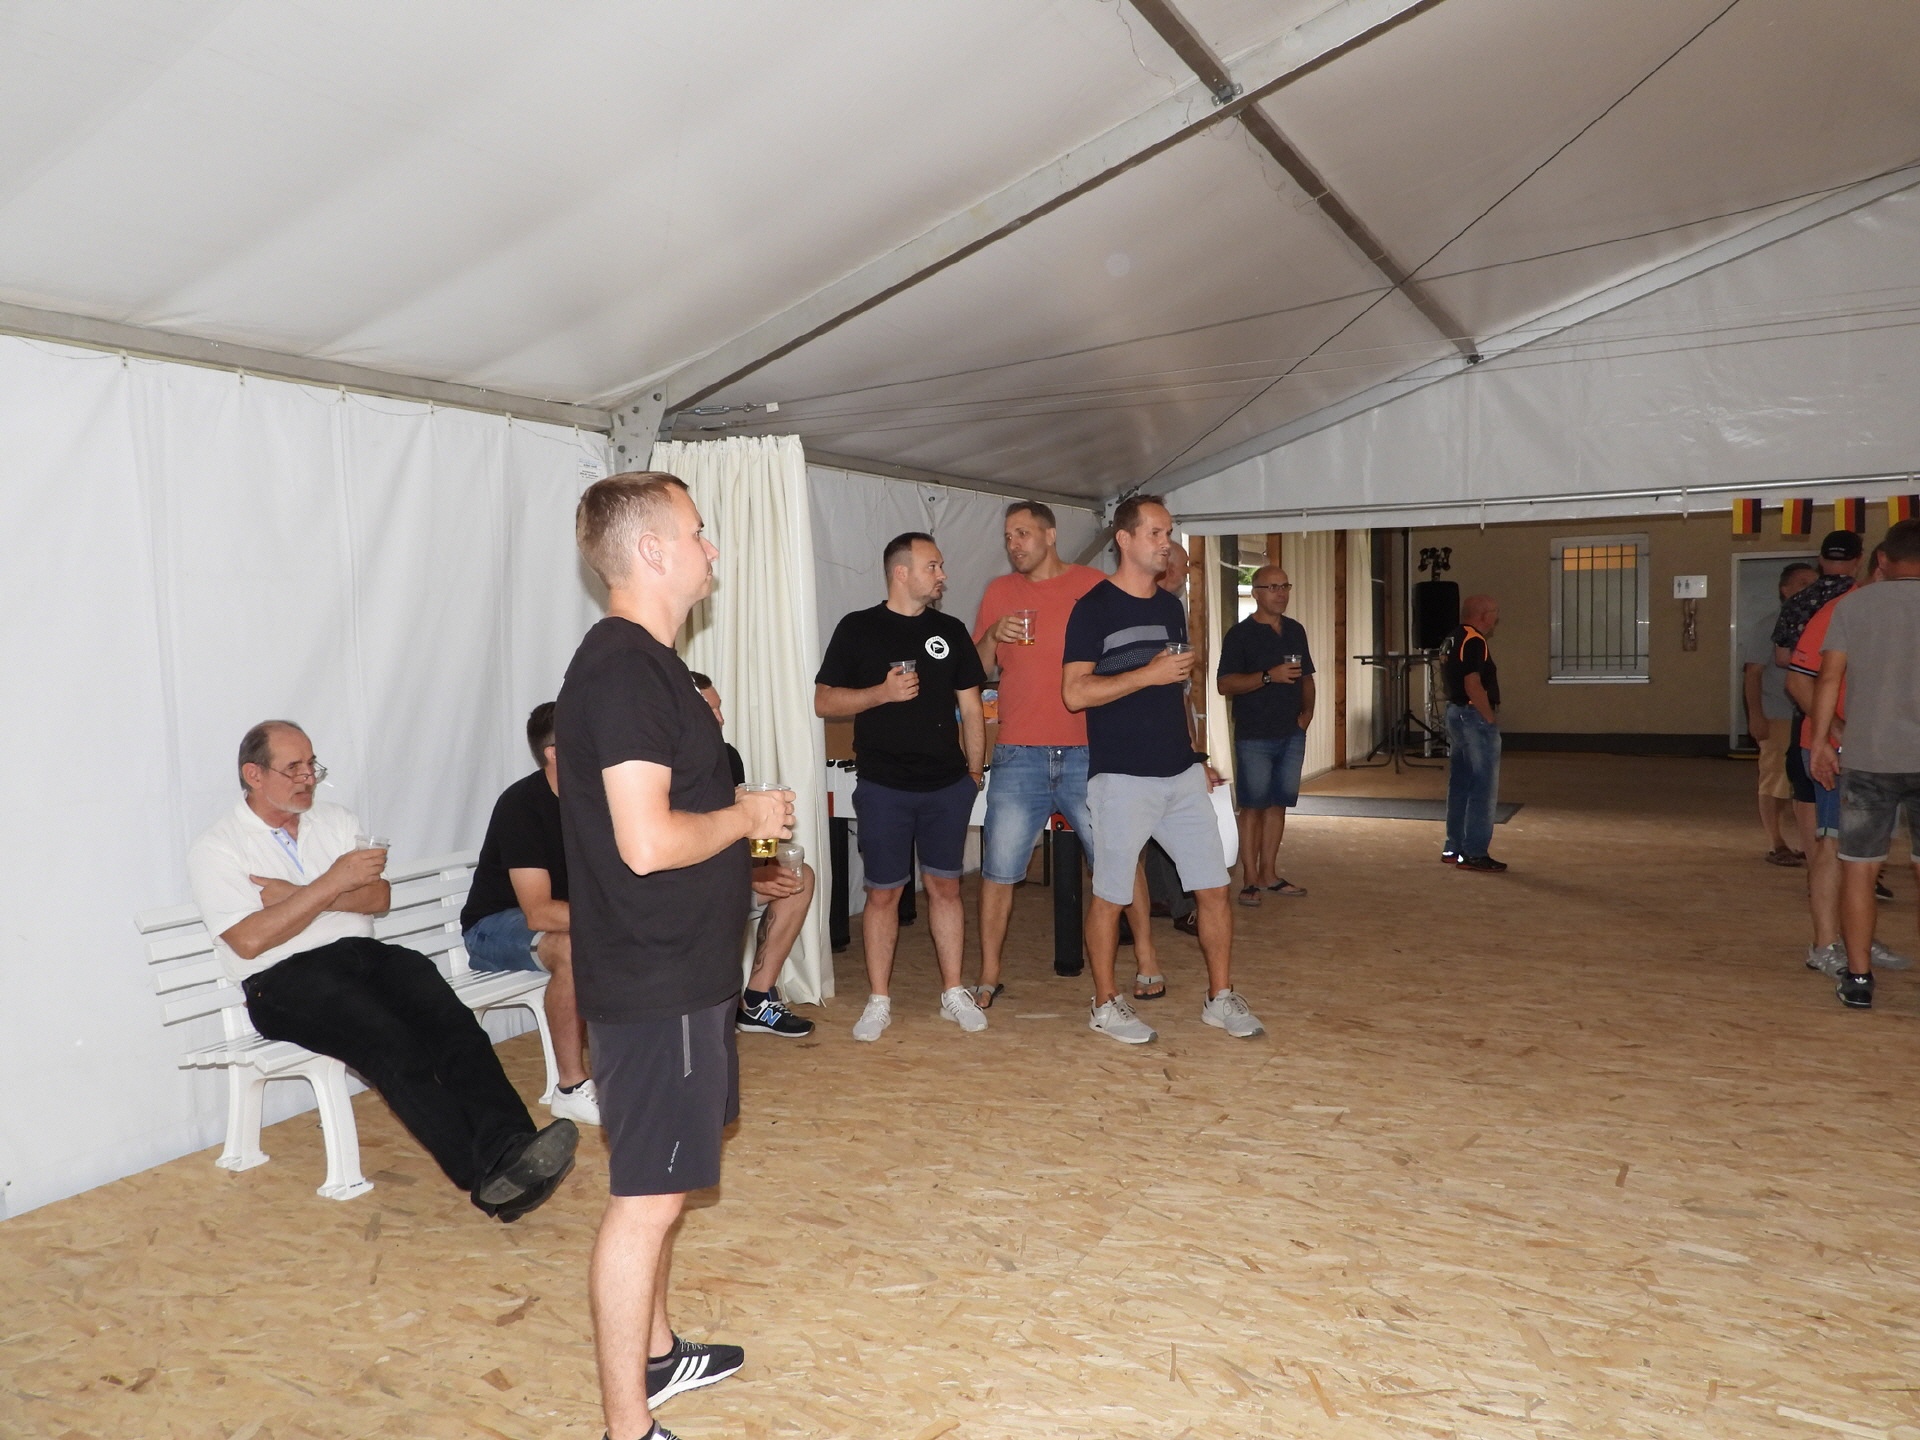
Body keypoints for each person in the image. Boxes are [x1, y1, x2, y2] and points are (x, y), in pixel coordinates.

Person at [559, 472, 793, 1440]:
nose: (712, 549)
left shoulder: (649, 667)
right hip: (654, 979)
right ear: (652, 550)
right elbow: (647, 842)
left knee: (661, 1183)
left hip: (681, 973)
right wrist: (745, 813)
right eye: (698, 532)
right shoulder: (623, 671)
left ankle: (658, 1357)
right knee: (646, 1203)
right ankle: (629, 1428)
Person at [187, 721, 578, 1222]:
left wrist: (295, 898)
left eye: (312, 766)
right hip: (280, 981)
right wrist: (334, 883)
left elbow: (378, 897)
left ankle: (515, 1147)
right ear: (253, 774)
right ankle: (490, 1176)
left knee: (453, 1025)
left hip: (360, 956)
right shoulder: (219, 847)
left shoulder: (335, 820)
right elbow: (249, 939)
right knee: (393, 1045)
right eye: (294, 768)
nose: (308, 778)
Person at [1063, 494, 1264, 1043]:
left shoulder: (1171, 608)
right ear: (1123, 539)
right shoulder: (1093, 609)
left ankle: (1219, 997)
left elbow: (1177, 694)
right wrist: (1144, 675)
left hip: (1179, 774)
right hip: (1122, 777)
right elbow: (1074, 693)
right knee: (1111, 895)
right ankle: (1105, 1004)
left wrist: (1197, 757)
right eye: (1155, 533)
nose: (1166, 544)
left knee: (1214, 888)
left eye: (1169, 533)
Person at [971, 501, 1160, 1002]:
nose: (1014, 544)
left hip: (1087, 752)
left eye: (1023, 533)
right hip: (1019, 754)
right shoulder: (998, 592)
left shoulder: (1093, 587)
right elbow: (974, 671)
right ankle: (988, 975)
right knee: (998, 870)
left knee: (1118, 861)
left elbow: (1125, 664)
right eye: (1008, 536)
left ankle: (1146, 958)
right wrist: (990, 636)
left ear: (1051, 535)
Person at [816, 532, 988, 1041]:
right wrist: (881, 693)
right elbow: (824, 701)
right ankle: (879, 999)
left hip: (946, 786)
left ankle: (953, 991)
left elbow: (972, 708)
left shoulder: (950, 630)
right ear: (901, 572)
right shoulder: (858, 628)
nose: (943, 575)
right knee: (884, 893)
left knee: (946, 888)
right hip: (884, 785)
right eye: (933, 566)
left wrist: (973, 775)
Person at [461, 702, 600, 1125]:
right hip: (493, 927)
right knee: (574, 948)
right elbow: (538, 912)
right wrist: (617, 918)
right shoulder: (521, 805)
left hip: (568, 920)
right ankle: (570, 1088)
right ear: (554, 753)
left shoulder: (598, 799)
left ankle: (641, 1064)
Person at [1805, 525, 1920, 1007]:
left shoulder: (1853, 606)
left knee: (1859, 869)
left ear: (1883, 559)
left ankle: (1857, 978)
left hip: (1869, 757)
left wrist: (1820, 742)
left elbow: (1829, 677)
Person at [688, 671, 818, 1038]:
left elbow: (740, 833)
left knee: (798, 877)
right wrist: (744, 876)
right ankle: (703, 1006)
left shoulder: (727, 756)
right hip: (686, 889)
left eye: (720, 708)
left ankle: (758, 999)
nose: (720, 718)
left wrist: (762, 863)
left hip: (726, 876)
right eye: (710, 710)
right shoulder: (664, 767)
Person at [1217, 565, 1315, 903]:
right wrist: (1269, 676)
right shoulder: (1239, 635)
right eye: (1272, 587)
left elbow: (1307, 677)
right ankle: (1250, 879)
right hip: (1254, 735)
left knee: (1278, 805)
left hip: (1292, 732)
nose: (1281, 593)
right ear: (1255, 593)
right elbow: (1225, 684)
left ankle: (1270, 874)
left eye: (1285, 586)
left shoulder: (1295, 630)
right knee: (1253, 807)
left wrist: (1307, 715)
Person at [1774, 531, 1863, 867]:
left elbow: (1783, 658)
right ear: (1858, 561)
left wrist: (1811, 661)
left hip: (1809, 709)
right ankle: (1863, 870)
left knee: (1808, 789)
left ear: (1821, 559)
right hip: (1853, 713)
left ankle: (1817, 867)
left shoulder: (1798, 602)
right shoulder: (1861, 600)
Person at [1744, 562, 1818, 865]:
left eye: (1814, 583)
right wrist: (1755, 716)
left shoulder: (1821, 623)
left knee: (1806, 781)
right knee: (1775, 780)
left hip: (1812, 715)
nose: (1809, 589)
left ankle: (1808, 843)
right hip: (1778, 713)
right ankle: (1777, 842)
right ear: (1784, 589)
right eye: (1802, 583)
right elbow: (1753, 673)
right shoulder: (1771, 625)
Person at [1441, 595, 1505, 873]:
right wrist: (1488, 717)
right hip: (1472, 717)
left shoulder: (1452, 637)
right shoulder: (1474, 640)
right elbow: (1472, 682)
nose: (1496, 617)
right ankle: (1475, 852)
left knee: (1461, 784)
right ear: (1483, 614)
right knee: (1482, 787)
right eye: (1495, 612)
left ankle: (1454, 847)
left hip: (1455, 714)